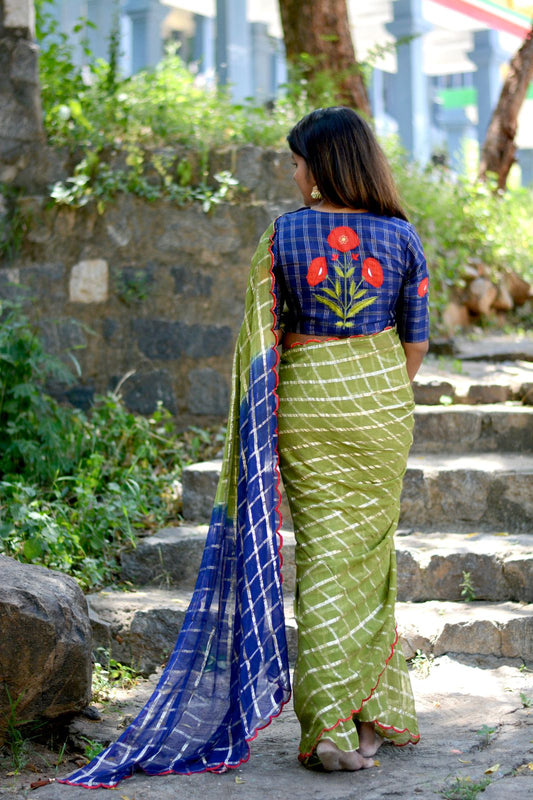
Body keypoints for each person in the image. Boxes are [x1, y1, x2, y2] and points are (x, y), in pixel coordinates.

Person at [58, 107, 428, 789]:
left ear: (320, 167)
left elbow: (262, 342)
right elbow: (416, 340)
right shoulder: (402, 236)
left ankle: (332, 727)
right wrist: (375, 389)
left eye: (295, 161)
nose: (292, 174)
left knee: (323, 558)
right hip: (381, 408)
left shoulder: (283, 235)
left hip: (310, 404)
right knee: (369, 558)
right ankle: (362, 713)